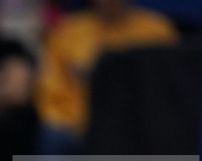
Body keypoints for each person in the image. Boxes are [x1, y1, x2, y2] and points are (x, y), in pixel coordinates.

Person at [36, 0, 177, 141]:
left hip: (140, 124)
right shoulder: (68, 31)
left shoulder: (157, 30)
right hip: (79, 127)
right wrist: (75, 123)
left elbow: (168, 88)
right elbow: (50, 91)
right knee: (54, 138)